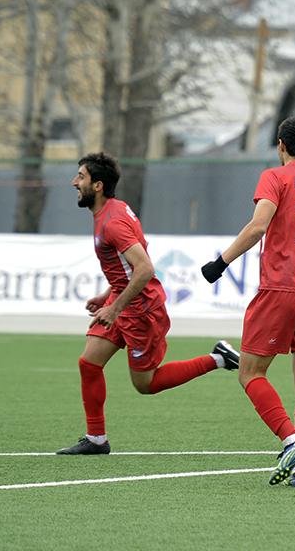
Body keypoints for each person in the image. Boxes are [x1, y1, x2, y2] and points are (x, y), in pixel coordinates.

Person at [56, 152, 240, 455]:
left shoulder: (112, 222)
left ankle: (217, 358)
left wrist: (115, 308)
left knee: (146, 384)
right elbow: (135, 257)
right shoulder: (114, 210)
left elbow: (145, 269)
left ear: (98, 185)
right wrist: (109, 295)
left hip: (140, 309)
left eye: (81, 177)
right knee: (89, 363)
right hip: (122, 300)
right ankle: (96, 439)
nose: (74, 182)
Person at [201, 117, 295, 487]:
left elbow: (258, 225)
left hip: (280, 290)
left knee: (250, 371)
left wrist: (221, 263)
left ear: (280, 144)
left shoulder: (275, 177)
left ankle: (292, 440)